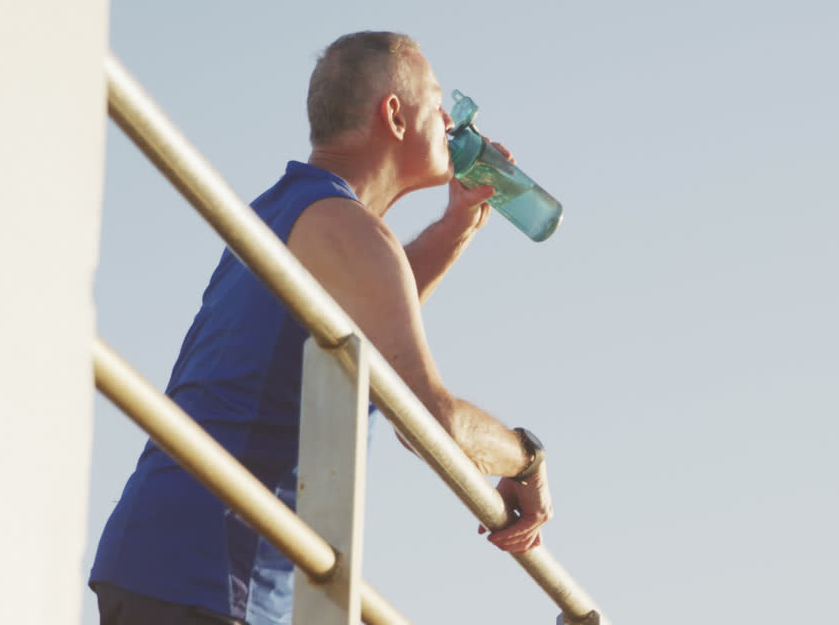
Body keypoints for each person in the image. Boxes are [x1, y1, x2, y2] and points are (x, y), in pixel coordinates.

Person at [89, 31, 554, 625]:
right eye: (440, 102)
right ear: (395, 114)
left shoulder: (292, 207)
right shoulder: (348, 228)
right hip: (214, 574)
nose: (452, 120)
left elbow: (368, 315)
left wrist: (457, 227)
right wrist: (528, 460)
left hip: (166, 560)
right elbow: (428, 421)